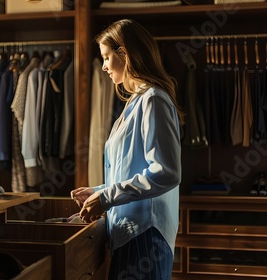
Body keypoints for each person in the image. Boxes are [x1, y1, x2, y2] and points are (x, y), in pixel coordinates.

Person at [71, 19, 184, 279]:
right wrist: (99, 192)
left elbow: (167, 172)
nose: (104, 66)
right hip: (130, 234)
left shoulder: (153, 100)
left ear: (126, 54)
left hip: (145, 237)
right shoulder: (135, 102)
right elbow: (133, 169)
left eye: (107, 57)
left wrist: (107, 197)